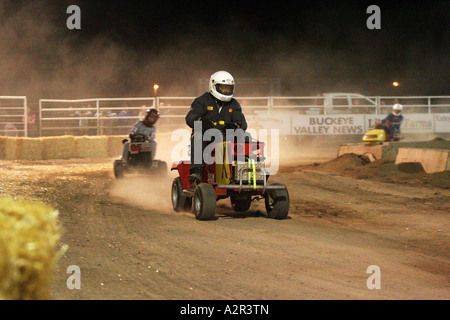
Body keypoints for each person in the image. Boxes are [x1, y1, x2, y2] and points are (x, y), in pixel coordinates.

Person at [185, 70, 247, 183]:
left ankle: (243, 171)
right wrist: (199, 120)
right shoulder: (202, 101)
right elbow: (190, 117)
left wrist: (238, 127)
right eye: (223, 88)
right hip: (206, 136)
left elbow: (241, 122)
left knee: (246, 137)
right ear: (214, 86)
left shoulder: (234, 104)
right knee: (197, 135)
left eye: (228, 88)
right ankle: (197, 171)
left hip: (225, 136)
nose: (226, 91)